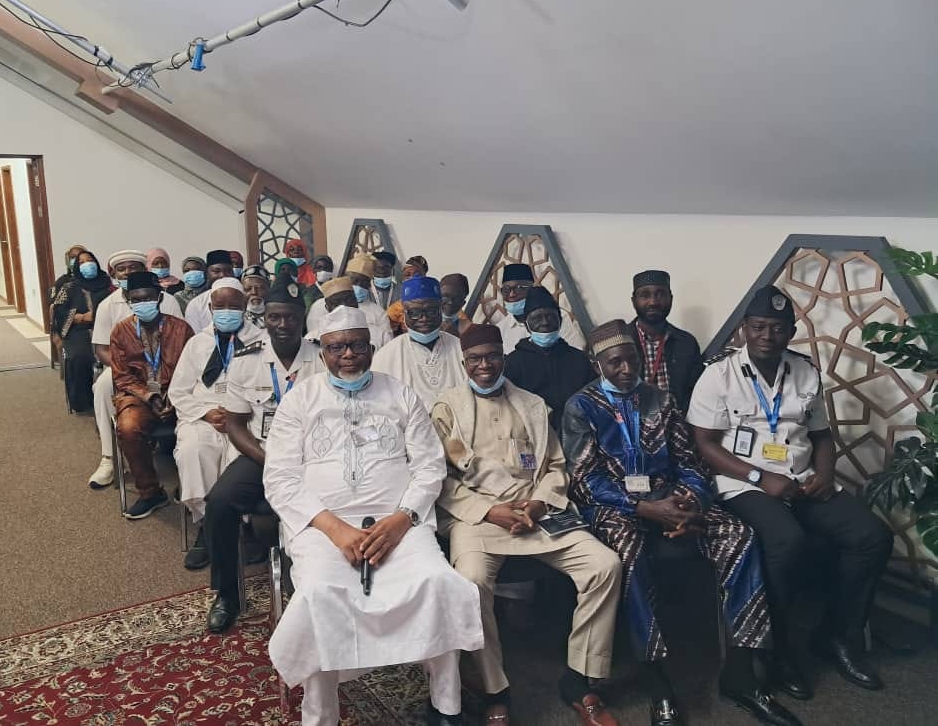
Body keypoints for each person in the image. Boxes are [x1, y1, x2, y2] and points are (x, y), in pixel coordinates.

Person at [565, 320, 797, 726]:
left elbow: (690, 463)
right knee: (628, 556)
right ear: (596, 363)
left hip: (672, 497)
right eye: (615, 362)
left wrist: (691, 502)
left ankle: (742, 673)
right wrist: (644, 508)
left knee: (738, 536)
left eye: (631, 359)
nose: (625, 369)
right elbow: (586, 480)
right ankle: (657, 682)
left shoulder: (662, 399)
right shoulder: (580, 406)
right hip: (617, 507)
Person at [263, 305, 484, 726]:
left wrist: (401, 520)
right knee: (321, 596)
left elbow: (430, 466)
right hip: (321, 527)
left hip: (399, 523)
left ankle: (446, 708)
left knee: (437, 582)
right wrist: (336, 530)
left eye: (357, 345)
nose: (348, 355)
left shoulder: (400, 394)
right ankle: (320, 715)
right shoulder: (300, 400)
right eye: (337, 347)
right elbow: (280, 479)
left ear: (371, 346)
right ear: (322, 351)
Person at [688, 286, 894, 697]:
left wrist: (824, 473)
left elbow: (821, 436)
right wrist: (758, 478)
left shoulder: (805, 371)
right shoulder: (718, 375)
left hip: (802, 482)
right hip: (743, 486)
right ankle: (777, 651)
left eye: (778, 328)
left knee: (872, 537)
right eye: (759, 327)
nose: (767, 335)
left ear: (791, 331)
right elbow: (705, 444)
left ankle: (836, 636)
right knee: (788, 542)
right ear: (744, 330)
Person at [432, 324, 622, 726]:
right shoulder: (446, 409)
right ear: (464, 362)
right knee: (469, 582)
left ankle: (580, 676)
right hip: (479, 517)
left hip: (538, 514)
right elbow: (439, 478)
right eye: (475, 359)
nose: (484, 366)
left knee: (605, 565)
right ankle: (494, 689)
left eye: (492, 357)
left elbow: (555, 466)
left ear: (504, 357)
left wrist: (537, 504)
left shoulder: (532, 405)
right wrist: (488, 511)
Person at [204, 279, 325, 633]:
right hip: (264, 455)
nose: (283, 325)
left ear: (302, 319)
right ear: (264, 319)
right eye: (275, 317)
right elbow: (237, 425)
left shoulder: (321, 357)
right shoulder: (247, 361)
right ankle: (228, 594)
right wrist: (270, 461)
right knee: (220, 503)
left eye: (290, 318)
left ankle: (317, 586)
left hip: (315, 456)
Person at [168, 278, 266, 570]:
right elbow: (178, 392)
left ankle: (242, 524)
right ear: (210, 307)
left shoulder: (262, 340)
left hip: (247, 418)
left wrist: (240, 415)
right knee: (193, 451)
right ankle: (206, 526)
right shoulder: (197, 343)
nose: (226, 311)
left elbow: (267, 386)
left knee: (240, 459)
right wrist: (208, 413)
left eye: (233, 306)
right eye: (220, 306)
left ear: (245, 306)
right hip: (203, 415)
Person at [88, 250, 184, 489]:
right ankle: (108, 458)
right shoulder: (108, 306)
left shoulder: (169, 302)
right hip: (125, 370)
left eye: (134, 267)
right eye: (123, 268)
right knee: (102, 386)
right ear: (114, 274)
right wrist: (129, 371)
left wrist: (166, 385)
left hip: (168, 371)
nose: (128, 272)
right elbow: (101, 349)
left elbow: (184, 350)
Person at [110, 271, 194, 519]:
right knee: (128, 427)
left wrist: (173, 397)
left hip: (179, 394)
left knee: (200, 428)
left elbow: (193, 370)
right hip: (138, 397)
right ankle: (150, 493)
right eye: (136, 299)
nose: (142, 303)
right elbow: (122, 376)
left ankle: (190, 488)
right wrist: (149, 396)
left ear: (159, 297)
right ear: (128, 299)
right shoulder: (120, 331)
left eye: (148, 297)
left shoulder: (181, 329)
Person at [504, 286, 595, 432]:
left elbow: (593, 400)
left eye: (550, 316)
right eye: (536, 318)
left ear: (560, 321)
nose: (545, 322)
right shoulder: (512, 363)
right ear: (527, 326)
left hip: (577, 436)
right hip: (533, 437)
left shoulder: (579, 360)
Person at [373, 276, 464, 409]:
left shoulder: (461, 348)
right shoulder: (386, 357)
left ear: (441, 310)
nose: (424, 318)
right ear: (404, 313)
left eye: (431, 311)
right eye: (414, 312)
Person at [627, 270, 704, 413]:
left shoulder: (686, 343)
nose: (653, 302)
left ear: (671, 299)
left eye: (660, 294)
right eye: (645, 295)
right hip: (631, 429)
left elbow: (697, 395)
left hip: (678, 428)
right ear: (633, 301)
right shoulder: (620, 342)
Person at [50, 249, 112, 413]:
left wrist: (98, 315)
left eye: (90, 260)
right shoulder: (69, 286)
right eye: (82, 262)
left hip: (107, 328)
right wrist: (80, 317)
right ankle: (84, 402)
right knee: (80, 357)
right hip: (78, 330)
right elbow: (58, 311)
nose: (87, 265)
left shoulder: (108, 283)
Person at [496, 264, 585, 354]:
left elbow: (576, 352)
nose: (512, 294)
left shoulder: (556, 318)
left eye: (519, 288)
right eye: (506, 290)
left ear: (532, 288)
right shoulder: (500, 330)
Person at [306, 258, 391, 348]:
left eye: (364, 282)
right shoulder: (314, 335)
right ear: (327, 307)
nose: (344, 306)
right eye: (355, 281)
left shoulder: (379, 332)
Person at [186, 250, 236, 332]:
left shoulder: (242, 299)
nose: (222, 275)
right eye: (216, 271)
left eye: (228, 271)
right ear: (207, 274)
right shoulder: (196, 305)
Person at [387, 255, 429, 336]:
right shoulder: (395, 308)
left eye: (417, 275)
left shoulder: (437, 301)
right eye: (407, 275)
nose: (412, 278)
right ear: (403, 279)